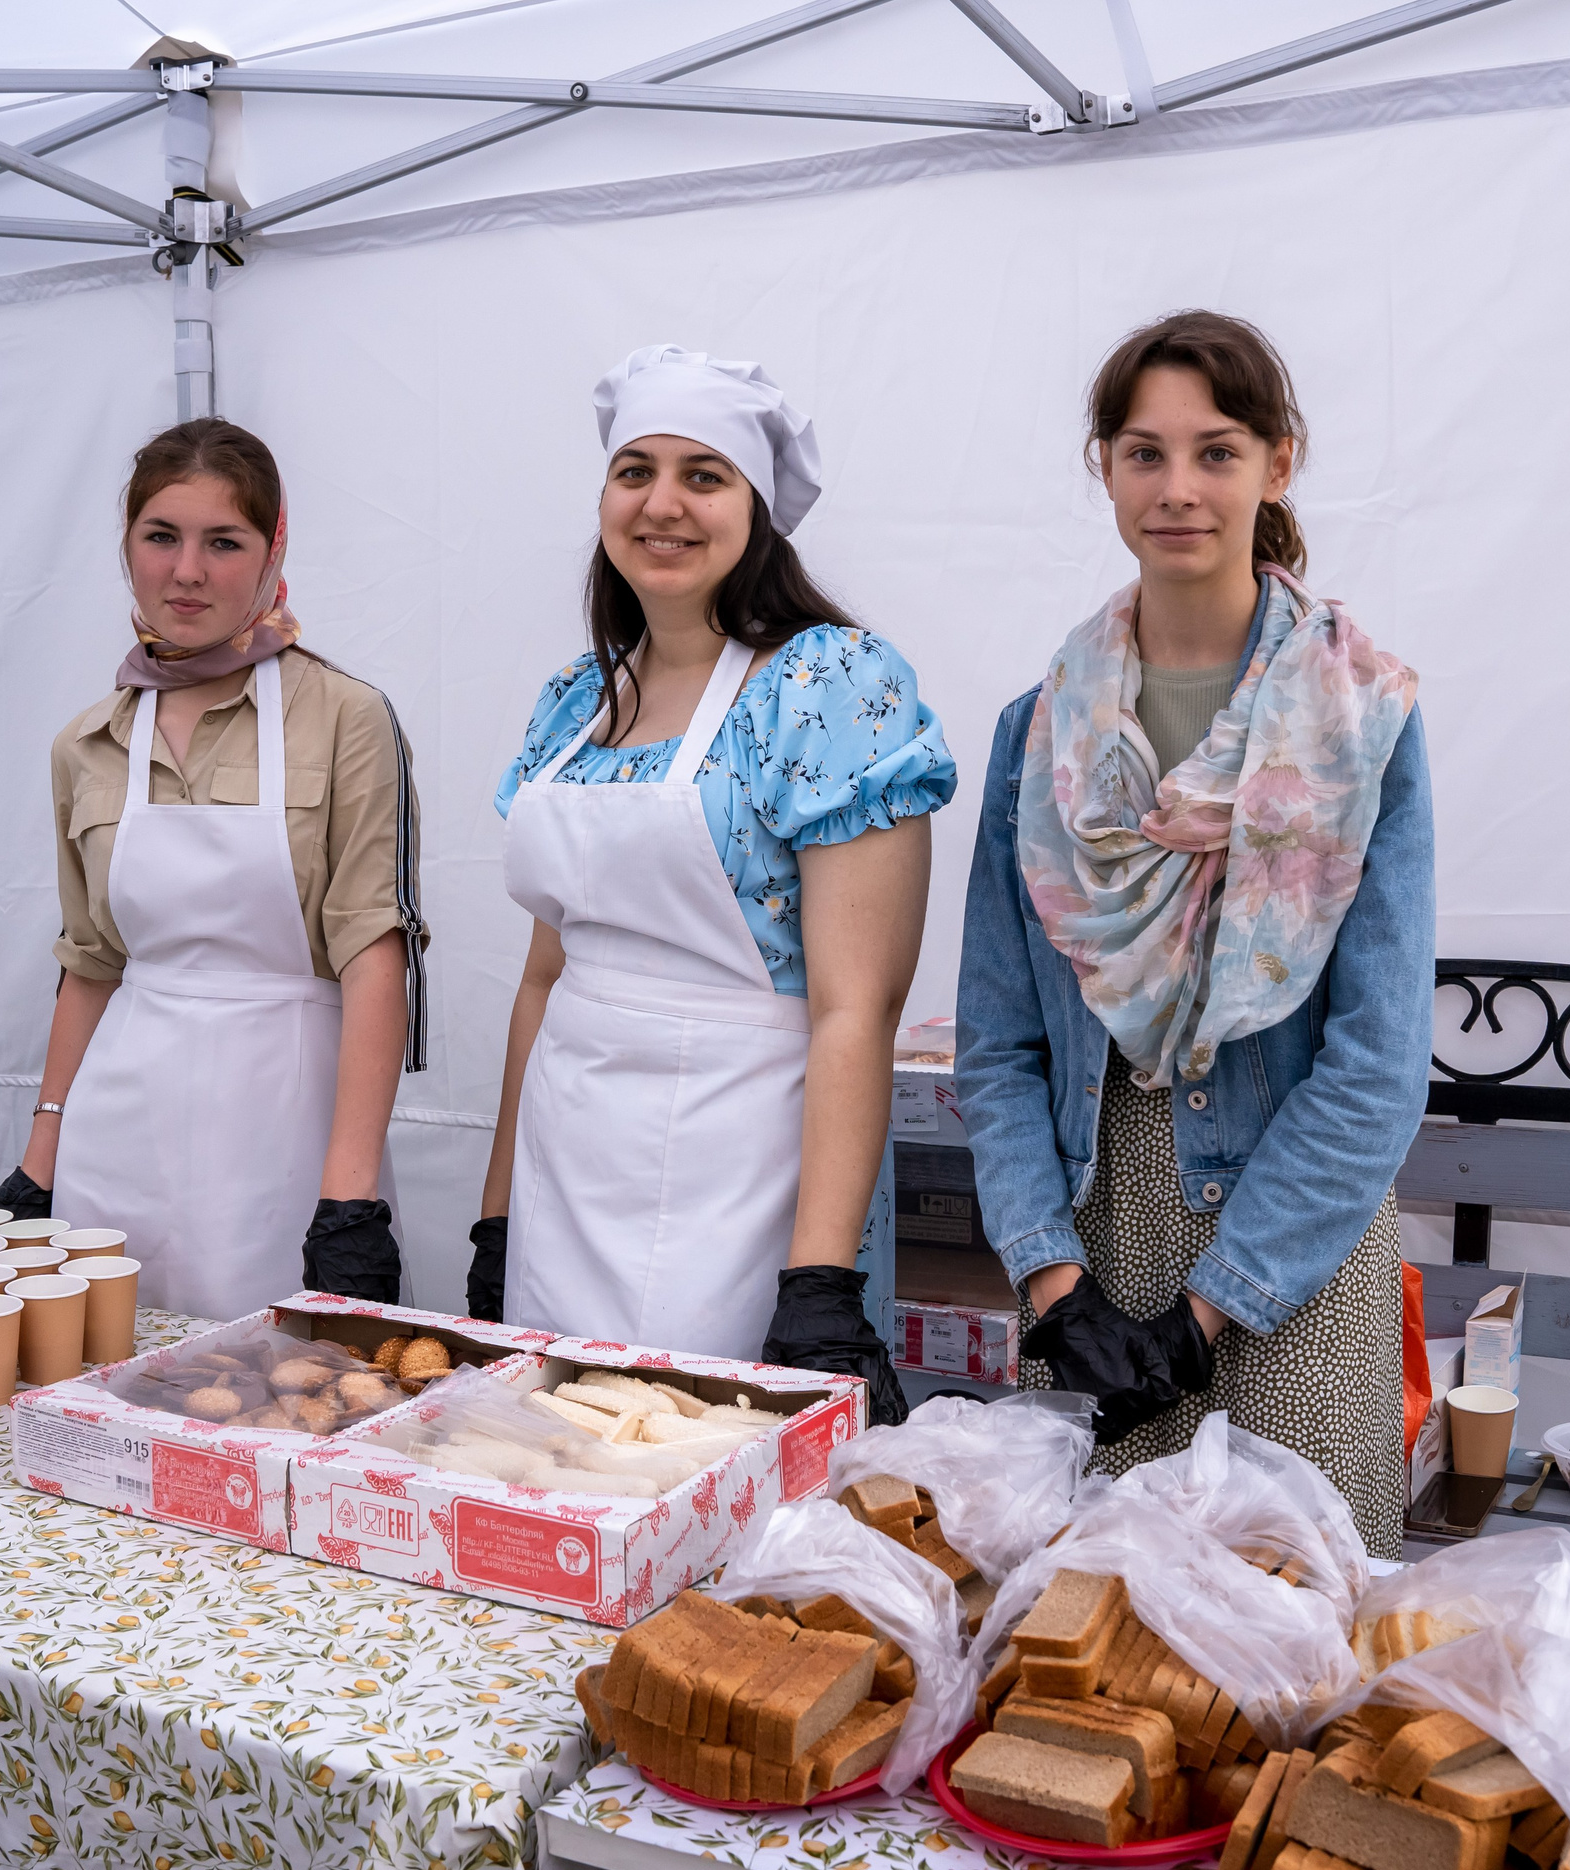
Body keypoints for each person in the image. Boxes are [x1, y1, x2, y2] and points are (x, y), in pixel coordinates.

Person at [955, 311, 1432, 1549]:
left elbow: (1377, 1064)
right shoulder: (1038, 732)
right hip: (1089, 1239)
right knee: (1085, 1653)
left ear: (1279, 464)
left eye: (1215, 452)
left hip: (1294, 1261)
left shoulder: (1358, 718)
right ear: (1102, 468)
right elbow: (998, 1042)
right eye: (1143, 453)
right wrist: (1054, 1287)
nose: (1177, 490)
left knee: (1292, 1652)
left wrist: (1211, 1311)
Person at [468, 345, 955, 1422]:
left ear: (757, 508)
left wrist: (818, 1281)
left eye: (704, 475)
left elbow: (854, 1005)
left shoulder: (828, 685)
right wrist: (498, 1216)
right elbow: (543, 982)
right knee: (553, 1464)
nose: (663, 505)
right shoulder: (571, 704)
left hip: (744, 1174)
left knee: (697, 1482)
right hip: (567, 1161)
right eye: (635, 470)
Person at [0, 418, 427, 1319]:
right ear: (127, 548)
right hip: (119, 1135)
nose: (187, 571)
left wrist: (349, 1203)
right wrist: (43, 1160)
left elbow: (373, 948)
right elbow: (91, 962)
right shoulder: (87, 743)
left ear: (273, 552)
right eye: (162, 537)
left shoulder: (345, 716)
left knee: (283, 1415)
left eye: (224, 542)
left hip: (285, 1139)